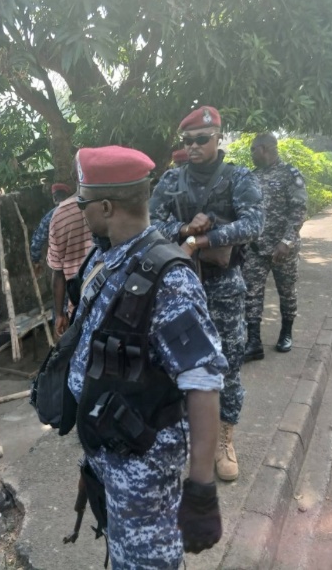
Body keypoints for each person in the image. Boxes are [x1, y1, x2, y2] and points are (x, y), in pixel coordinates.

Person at [65, 146, 224, 569]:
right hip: (110, 449)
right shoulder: (108, 257)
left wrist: (201, 487)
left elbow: (203, 381)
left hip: (144, 469)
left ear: (105, 207)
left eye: (83, 204)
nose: (80, 212)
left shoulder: (169, 279)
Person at [149, 106, 263, 482]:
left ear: (218, 138)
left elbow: (255, 223)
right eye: (188, 141)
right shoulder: (171, 180)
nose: (194, 146)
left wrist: (204, 238)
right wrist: (183, 229)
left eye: (201, 139)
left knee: (228, 366)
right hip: (180, 288)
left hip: (224, 285)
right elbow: (152, 223)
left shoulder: (238, 177)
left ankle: (224, 440)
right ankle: (186, 435)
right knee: (178, 364)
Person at [244, 134, 307, 360]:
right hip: (256, 248)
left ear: (264, 148)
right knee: (251, 293)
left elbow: (299, 210)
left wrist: (286, 242)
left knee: (287, 291)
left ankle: (286, 333)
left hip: (283, 249)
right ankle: (253, 341)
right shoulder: (253, 176)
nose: (251, 154)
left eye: (253, 150)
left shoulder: (290, 174)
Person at [47, 183, 95, 337]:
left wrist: (59, 314)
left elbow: (58, 273)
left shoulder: (57, 216)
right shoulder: (107, 203)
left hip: (77, 304)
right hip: (110, 301)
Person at [30, 183, 72, 272]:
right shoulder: (80, 209)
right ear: (68, 196)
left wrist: (36, 260)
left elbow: (37, 242)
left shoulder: (50, 217)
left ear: (54, 198)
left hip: (62, 262)